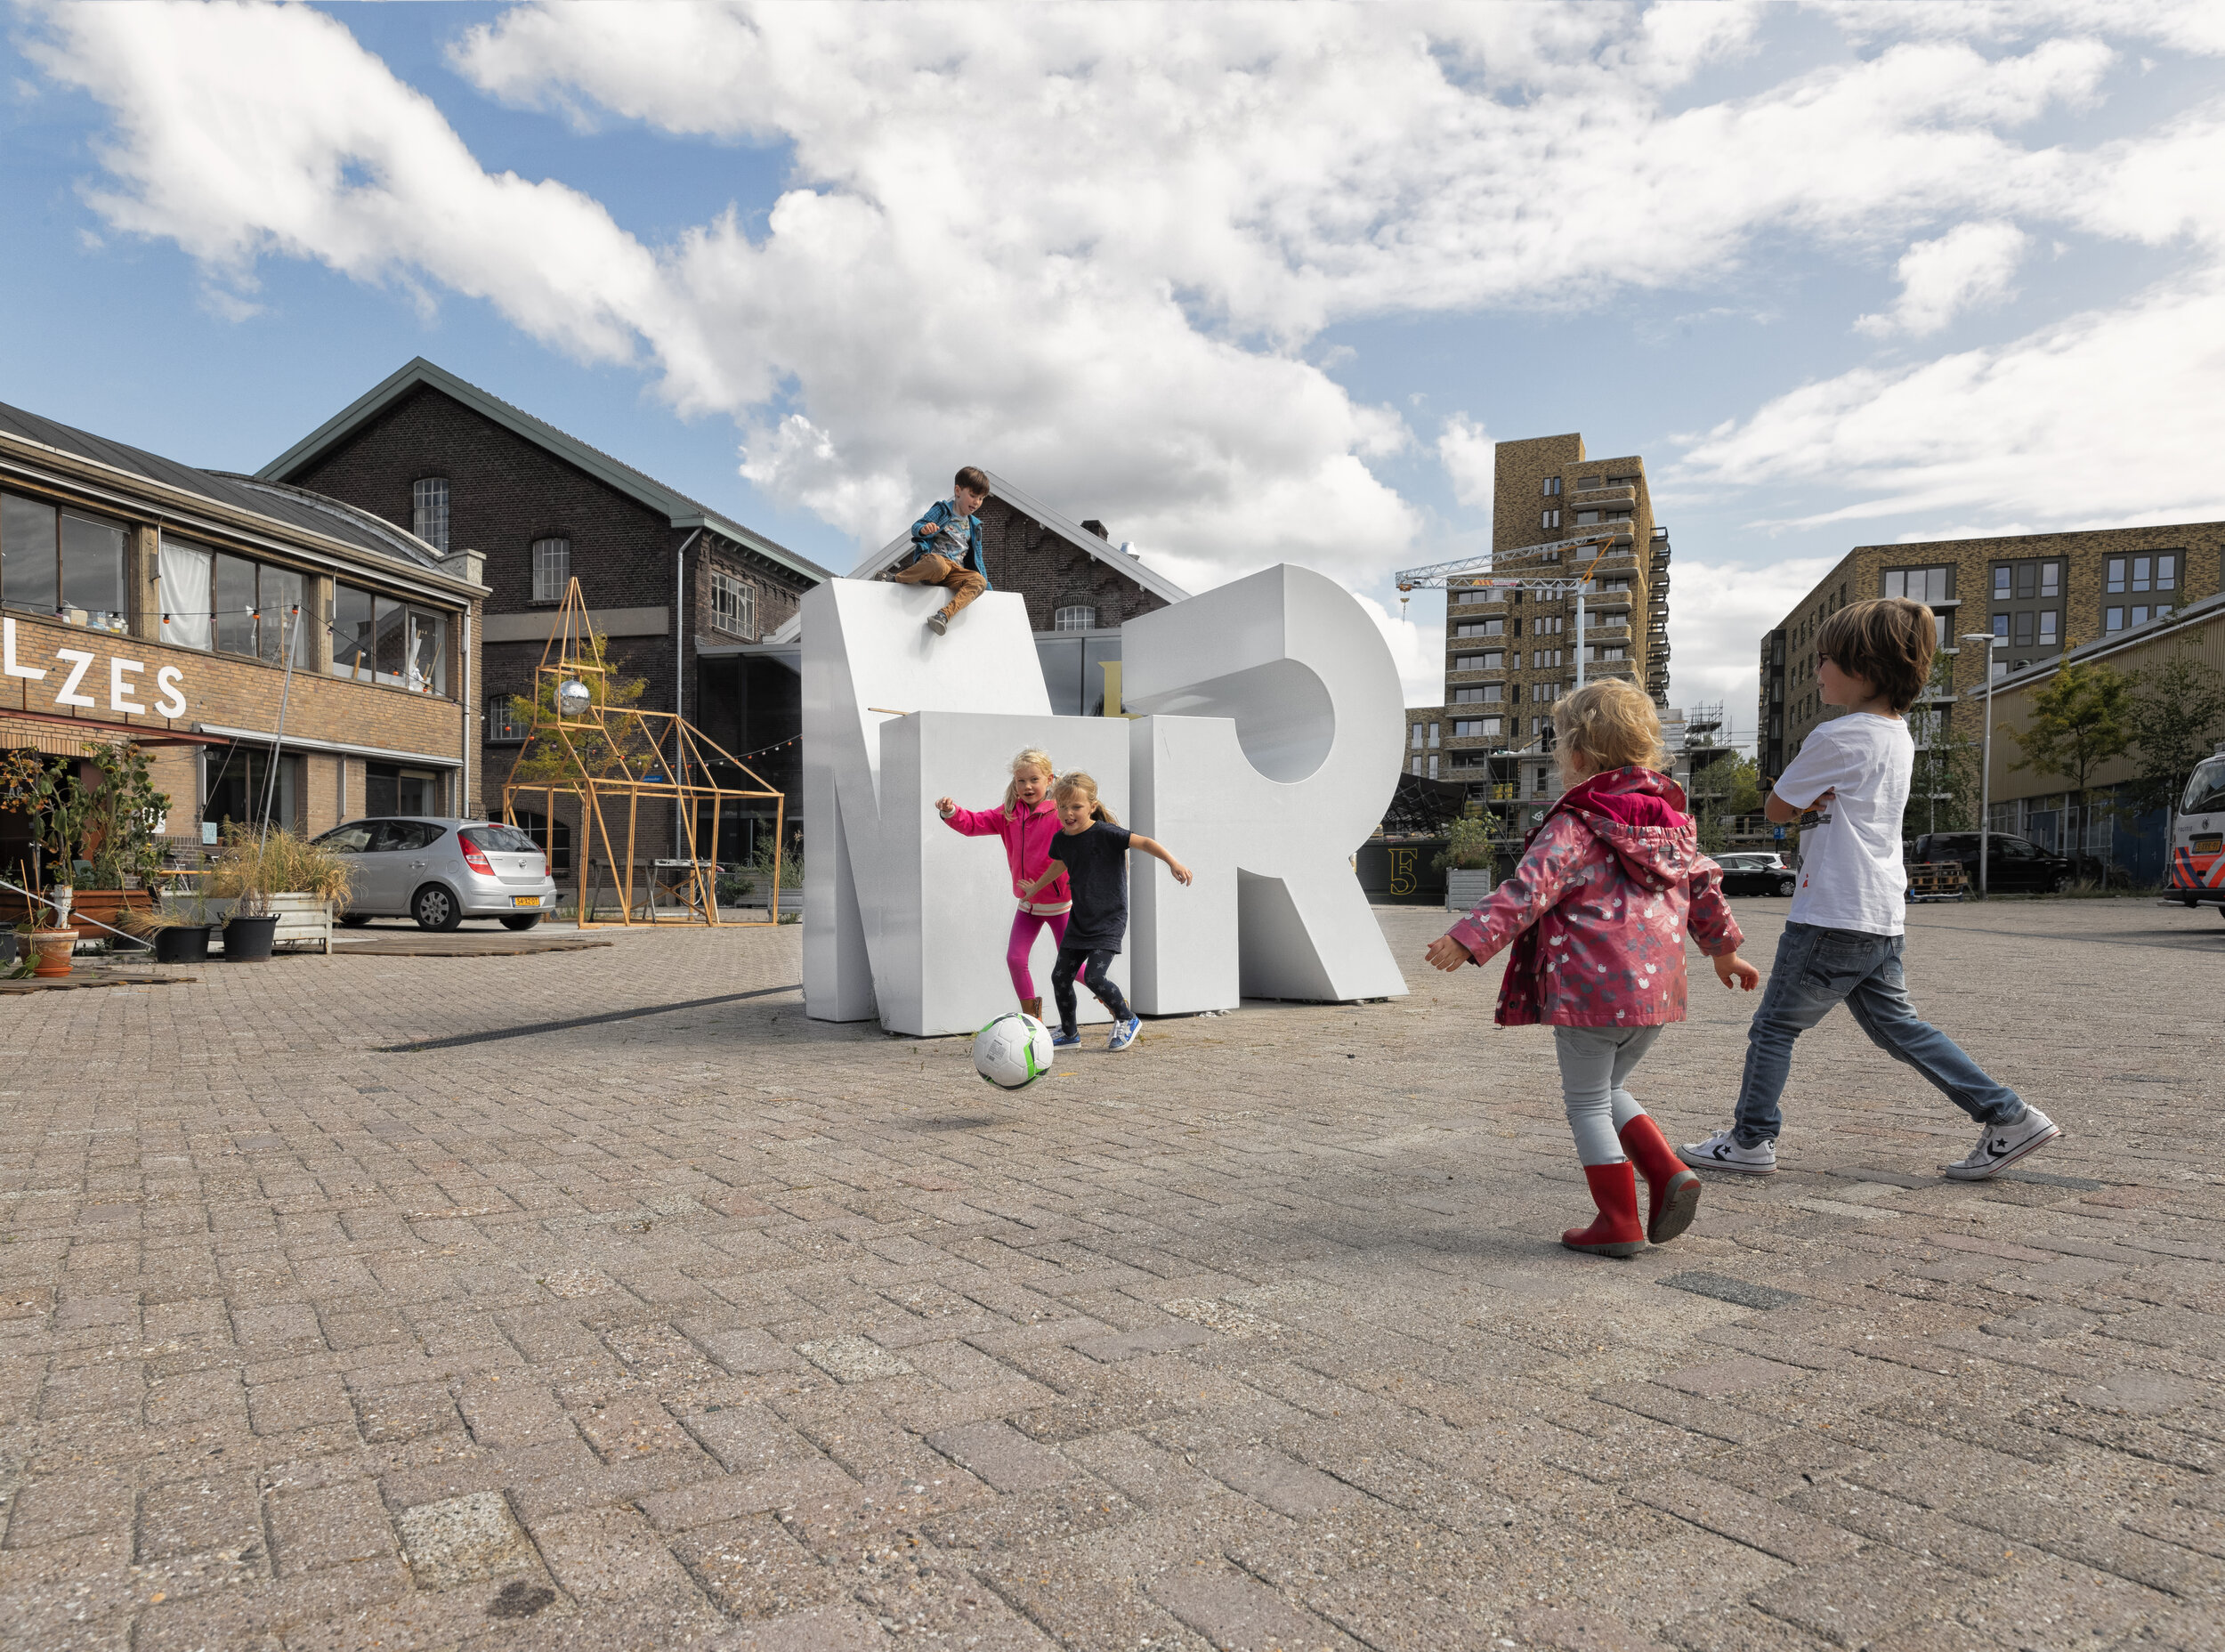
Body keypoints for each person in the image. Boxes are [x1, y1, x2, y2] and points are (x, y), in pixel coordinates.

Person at [1679, 596, 2060, 1181]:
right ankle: (2009, 1115)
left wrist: (1802, 795)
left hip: (1831, 910)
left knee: (1775, 1027)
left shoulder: (1837, 737)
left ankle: (1751, 1139)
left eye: (1825, 659)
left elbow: (1778, 805)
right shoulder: (1895, 735)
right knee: (1901, 1030)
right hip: (1878, 913)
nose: (1817, 670)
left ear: (1863, 669)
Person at [1425, 679, 1760, 1257]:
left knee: (1585, 1102)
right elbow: (1704, 882)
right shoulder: (1674, 826)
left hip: (1591, 995)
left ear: (1577, 756)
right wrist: (1724, 950)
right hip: (1655, 998)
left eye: (1559, 748)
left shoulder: (1577, 822)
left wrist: (1468, 938)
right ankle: (1666, 1171)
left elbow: (1528, 887)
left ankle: (1618, 1220)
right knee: (1608, 1090)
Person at [1016, 771, 1192, 1052]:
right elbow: (1060, 864)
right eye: (1063, 807)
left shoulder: (1106, 833)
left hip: (1109, 918)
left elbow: (1144, 842)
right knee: (1060, 976)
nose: (1068, 813)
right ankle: (1070, 1033)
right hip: (1080, 919)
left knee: (1095, 977)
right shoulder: (1062, 839)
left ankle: (1127, 1018)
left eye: (1076, 807)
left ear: (1092, 806)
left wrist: (1173, 863)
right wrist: (1035, 888)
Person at [935, 748, 1068, 1024]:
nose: (1027, 787)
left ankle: (1118, 1007)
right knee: (1015, 959)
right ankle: (1033, 1022)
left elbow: (1077, 851)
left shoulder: (1060, 814)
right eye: (1021, 781)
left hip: (1059, 905)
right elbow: (973, 823)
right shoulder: (1010, 813)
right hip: (1028, 906)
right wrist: (952, 812)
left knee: (1076, 968)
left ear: (1049, 779)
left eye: (1034, 780)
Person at [891, 466, 993, 636]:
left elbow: (978, 558)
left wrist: (987, 587)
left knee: (978, 581)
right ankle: (897, 578)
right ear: (958, 491)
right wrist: (925, 529)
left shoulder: (975, 525)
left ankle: (943, 616)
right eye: (973, 496)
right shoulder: (943, 509)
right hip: (936, 563)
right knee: (939, 565)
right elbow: (917, 526)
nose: (977, 502)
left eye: (981, 498)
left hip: (955, 571)